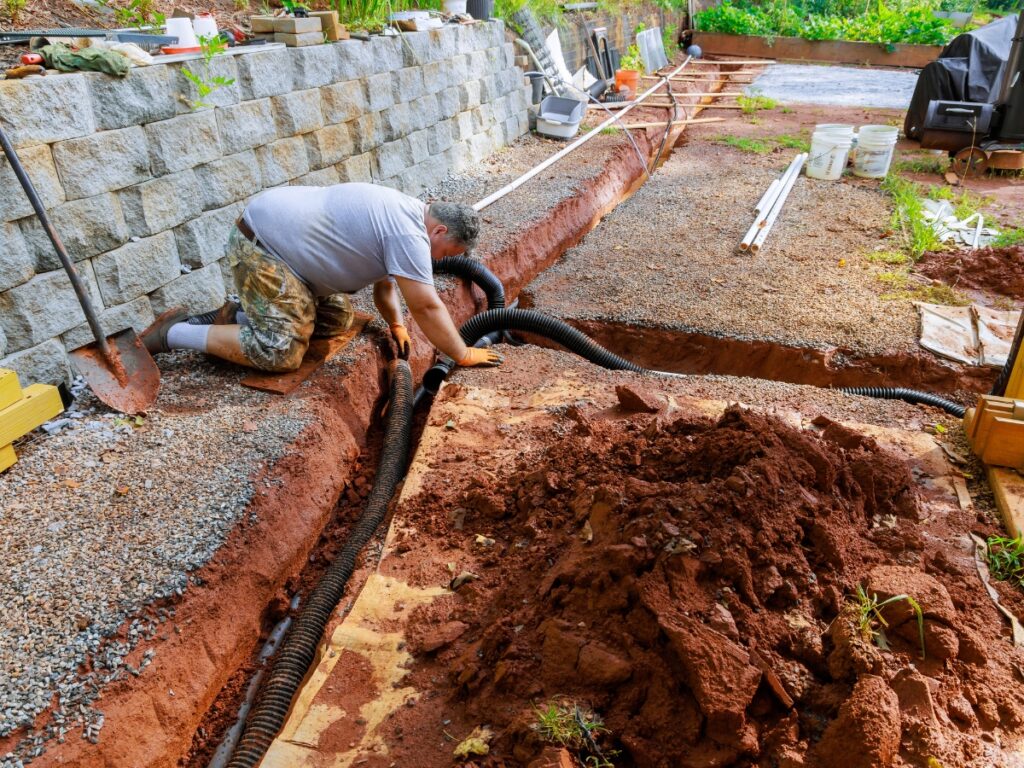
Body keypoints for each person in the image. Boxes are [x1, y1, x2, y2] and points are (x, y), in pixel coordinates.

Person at [140, 182, 504, 373]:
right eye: (444, 255)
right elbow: (426, 304)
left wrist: (396, 325)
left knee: (336, 320)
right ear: (439, 230)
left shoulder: (406, 212)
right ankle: (171, 333)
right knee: (279, 352)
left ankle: (238, 316)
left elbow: (385, 284)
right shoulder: (407, 233)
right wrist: (460, 353)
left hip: (287, 252)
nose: (437, 261)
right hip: (264, 249)